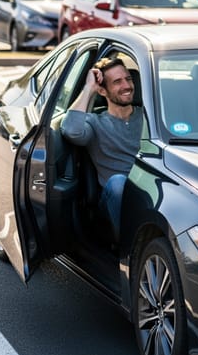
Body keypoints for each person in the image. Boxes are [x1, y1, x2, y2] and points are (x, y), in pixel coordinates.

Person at [61, 57, 143, 239]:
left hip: (148, 192)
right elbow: (71, 130)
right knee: (118, 183)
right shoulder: (95, 123)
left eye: (128, 79)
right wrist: (89, 88)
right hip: (115, 199)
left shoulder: (148, 117)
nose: (127, 86)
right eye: (117, 82)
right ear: (102, 90)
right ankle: (127, 250)